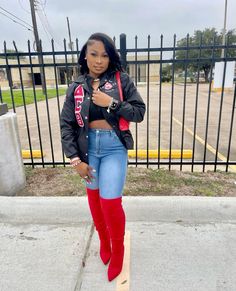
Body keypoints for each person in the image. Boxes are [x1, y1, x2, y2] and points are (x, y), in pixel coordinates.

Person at [60, 32, 145, 281]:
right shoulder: (76, 87)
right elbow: (67, 125)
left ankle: (117, 249)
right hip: (87, 150)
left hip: (113, 148)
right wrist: (75, 159)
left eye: (105, 55)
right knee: (95, 201)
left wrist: (112, 103)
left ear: (111, 58)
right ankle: (104, 242)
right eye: (94, 54)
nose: (99, 60)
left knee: (110, 202)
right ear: (85, 56)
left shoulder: (121, 80)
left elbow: (139, 112)